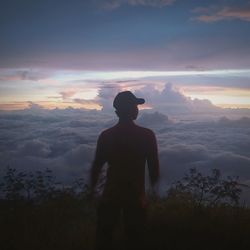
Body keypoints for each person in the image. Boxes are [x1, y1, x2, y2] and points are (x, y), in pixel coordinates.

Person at [90, 91, 160, 250]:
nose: (137, 109)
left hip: (110, 197)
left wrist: (92, 192)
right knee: (136, 242)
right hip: (135, 198)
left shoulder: (106, 136)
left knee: (104, 241)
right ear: (132, 110)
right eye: (135, 106)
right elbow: (154, 170)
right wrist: (152, 195)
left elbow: (96, 167)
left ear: (117, 112)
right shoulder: (147, 136)